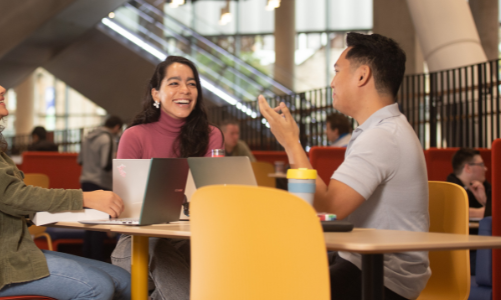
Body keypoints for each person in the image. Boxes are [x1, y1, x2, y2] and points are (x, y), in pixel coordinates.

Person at [0, 65, 131, 300]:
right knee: (97, 287)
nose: (2, 89)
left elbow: (14, 199)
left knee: (124, 281)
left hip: (15, 252)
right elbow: (15, 196)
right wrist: (85, 197)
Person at [257, 33, 430, 300]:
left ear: (362, 76)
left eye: (337, 71)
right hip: (359, 261)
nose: (332, 82)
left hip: (383, 277)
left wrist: (291, 143)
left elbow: (329, 207)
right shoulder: (379, 130)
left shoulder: (382, 137)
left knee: (274, 288)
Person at [111, 56, 224, 300]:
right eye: (174, 83)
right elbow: (124, 204)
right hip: (138, 244)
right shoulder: (134, 136)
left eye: (192, 84)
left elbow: (213, 197)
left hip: (191, 239)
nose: (185, 90)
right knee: (158, 245)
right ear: (156, 94)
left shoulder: (211, 136)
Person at [78, 115, 124, 261]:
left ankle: (87, 258)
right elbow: (106, 164)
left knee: (89, 225)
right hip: (100, 183)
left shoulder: (88, 137)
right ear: (117, 127)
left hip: (86, 180)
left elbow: (79, 160)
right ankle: (97, 260)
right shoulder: (107, 138)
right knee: (99, 226)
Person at [447, 148, 491, 219]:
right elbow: (449, 211)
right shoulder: (450, 188)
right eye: (481, 164)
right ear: (468, 168)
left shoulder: (485, 186)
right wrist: (480, 212)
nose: (485, 168)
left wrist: (484, 200)